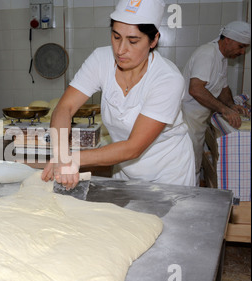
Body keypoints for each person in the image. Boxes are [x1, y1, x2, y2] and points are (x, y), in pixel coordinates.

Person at [41, 0, 196, 189]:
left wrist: (72, 159)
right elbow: (65, 108)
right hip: (124, 167)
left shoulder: (167, 79)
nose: (120, 50)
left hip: (168, 173)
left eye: (133, 41)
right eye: (116, 37)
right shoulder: (101, 59)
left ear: (154, 40)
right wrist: (60, 153)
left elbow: (134, 147)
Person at [181, 21, 251, 184]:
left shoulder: (222, 58)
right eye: (240, 47)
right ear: (228, 39)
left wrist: (231, 105)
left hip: (197, 120)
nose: (242, 52)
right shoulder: (208, 54)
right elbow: (196, 89)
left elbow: (223, 88)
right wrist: (224, 110)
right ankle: (189, 203)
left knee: (195, 163)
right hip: (187, 120)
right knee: (189, 166)